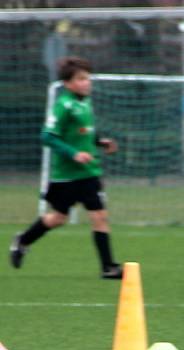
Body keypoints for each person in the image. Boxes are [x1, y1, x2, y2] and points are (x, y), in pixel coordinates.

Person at [10, 56, 122, 278]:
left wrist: (100, 142)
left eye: (88, 78)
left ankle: (108, 267)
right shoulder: (63, 105)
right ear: (68, 83)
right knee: (58, 218)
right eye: (81, 79)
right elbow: (47, 136)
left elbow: (84, 133)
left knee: (99, 216)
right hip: (66, 176)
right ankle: (22, 240)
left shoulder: (85, 102)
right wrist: (73, 154)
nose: (87, 83)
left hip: (88, 173)